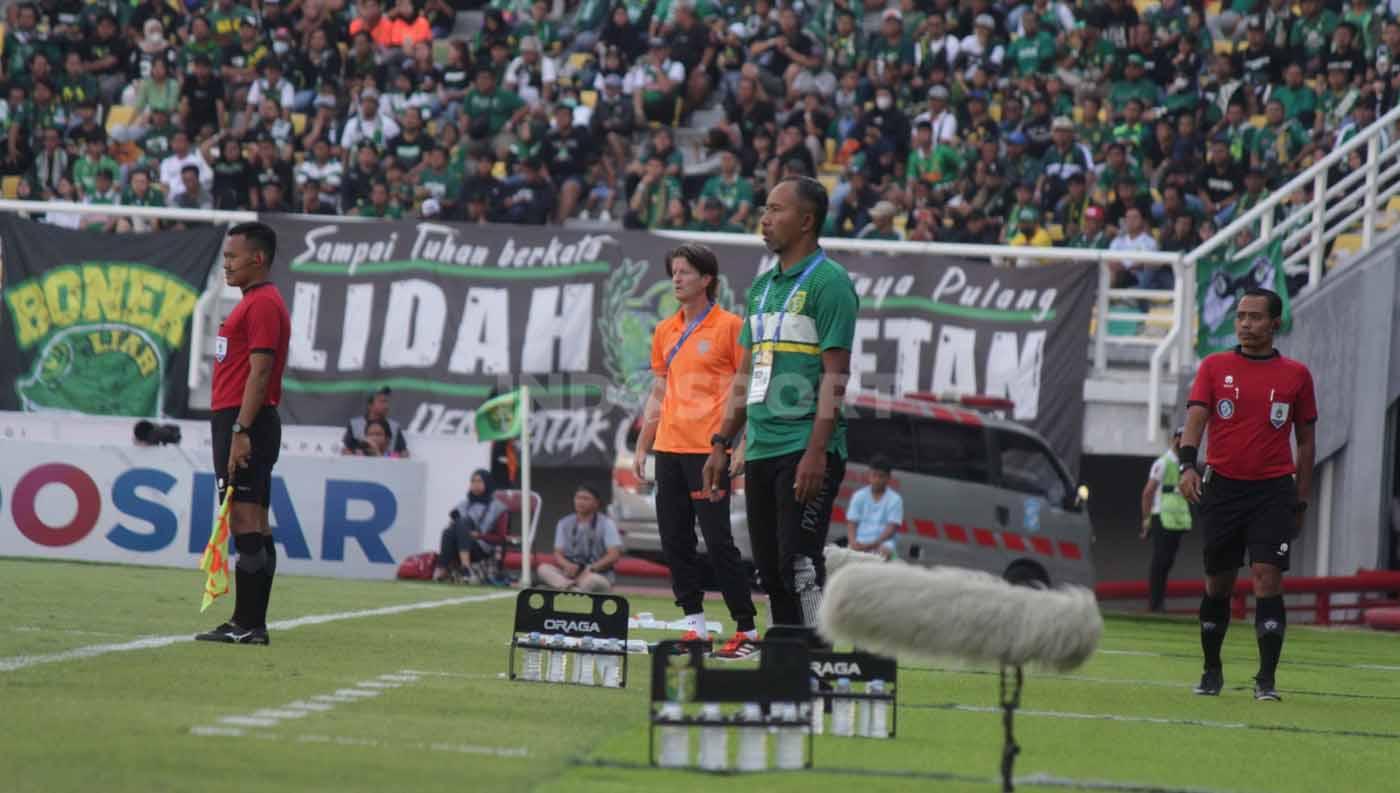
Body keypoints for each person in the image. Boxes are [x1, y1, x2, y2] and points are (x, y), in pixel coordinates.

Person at [704, 177, 859, 653]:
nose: (764, 220)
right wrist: (721, 440)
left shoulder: (830, 283)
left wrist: (817, 453)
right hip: (763, 447)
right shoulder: (761, 289)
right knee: (769, 567)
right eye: (764, 210)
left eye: (776, 210)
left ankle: (819, 658)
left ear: (807, 221)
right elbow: (746, 373)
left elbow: (836, 376)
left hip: (807, 449)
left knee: (800, 563)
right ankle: (789, 653)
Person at [1179, 288, 1317, 701]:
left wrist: (1301, 497)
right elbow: (1197, 418)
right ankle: (1211, 670)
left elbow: (1306, 442)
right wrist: (1188, 464)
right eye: (1240, 316)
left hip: (1273, 491)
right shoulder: (1214, 366)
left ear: (1275, 323)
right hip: (1223, 488)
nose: (1245, 324)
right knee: (1218, 585)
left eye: (1255, 317)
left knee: (1266, 579)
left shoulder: (1296, 375)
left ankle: (1266, 682)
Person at [633, 243, 759, 658]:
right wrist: (643, 443)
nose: (677, 278)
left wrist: (739, 444)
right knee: (675, 541)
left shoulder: (730, 326)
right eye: (674, 271)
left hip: (709, 453)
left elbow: (746, 389)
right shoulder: (665, 329)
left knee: (719, 541)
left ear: (707, 279)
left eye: (685, 271)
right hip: (668, 449)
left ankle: (746, 630)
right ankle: (695, 629)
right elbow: (659, 389)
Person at [196, 222, 291, 646]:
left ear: (259, 258)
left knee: (245, 519)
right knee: (256, 521)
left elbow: (261, 371)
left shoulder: (263, 305)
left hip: (244, 420)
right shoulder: (252, 303)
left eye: (233, 257)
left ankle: (249, 624)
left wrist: (240, 429)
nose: (226, 265)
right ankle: (250, 622)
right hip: (242, 419)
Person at [1140, 426, 1194, 612]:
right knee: (1160, 561)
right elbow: (1148, 493)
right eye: (1181, 438)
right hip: (1161, 517)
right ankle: (1155, 603)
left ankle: (1159, 602)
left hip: (1176, 520)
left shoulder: (1184, 465)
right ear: (1174, 439)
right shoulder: (1163, 463)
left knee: (1168, 561)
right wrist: (1146, 520)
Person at [537, 485, 624, 593]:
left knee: (592, 581)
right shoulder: (564, 523)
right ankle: (571, 588)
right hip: (570, 574)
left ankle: (563, 587)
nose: (580, 502)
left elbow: (614, 555)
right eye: (578, 498)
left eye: (585, 499)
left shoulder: (607, 523)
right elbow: (558, 553)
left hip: (596, 574)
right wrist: (567, 565)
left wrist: (591, 568)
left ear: (596, 503)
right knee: (543, 569)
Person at [435, 469, 510, 584]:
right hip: (461, 544)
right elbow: (454, 527)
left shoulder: (498, 507)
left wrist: (479, 536)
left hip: (482, 549)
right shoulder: (463, 504)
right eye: (473, 481)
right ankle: (442, 569)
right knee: (448, 531)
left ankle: (466, 568)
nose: (475, 484)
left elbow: (501, 538)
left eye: (479, 481)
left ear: (487, 483)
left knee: (463, 522)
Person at [845, 456, 903, 560]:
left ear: (888, 478)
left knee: (884, 552)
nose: (877, 479)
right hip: (859, 541)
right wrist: (853, 542)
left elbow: (891, 528)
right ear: (869, 475)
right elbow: (851, 523)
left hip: (883, 544)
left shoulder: (895, 499)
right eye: (874, 475)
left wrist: (872, 545)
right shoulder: (859, 495)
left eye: (881, 476)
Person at [342, 386, 410, 457]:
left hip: (387, 466)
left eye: (387, 402)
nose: (386, 406)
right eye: (382, 402)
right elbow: (346, 450)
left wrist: (388, 456)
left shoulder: (394, 426)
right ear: (370, 405)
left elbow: (404, 453)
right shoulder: (355, 424)